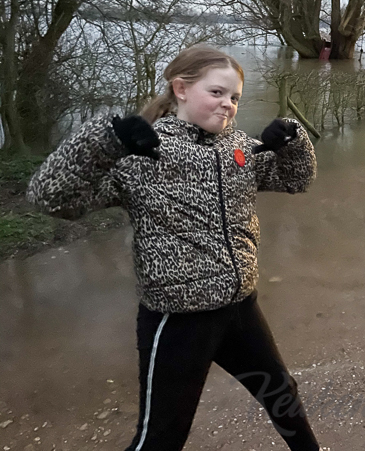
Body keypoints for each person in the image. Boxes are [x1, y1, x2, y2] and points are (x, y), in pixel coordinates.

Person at [26, 45, 327, 451]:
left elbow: (296, 180)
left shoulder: (238, 147)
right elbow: (51, 198)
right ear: (181, 88)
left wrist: (292, 139)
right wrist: (104, 142)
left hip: (240, 307)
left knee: (282, 397)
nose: (228, 105)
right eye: (217, 92)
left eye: (235, 97)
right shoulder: (142, 153)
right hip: (178, 320)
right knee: (163, 436)